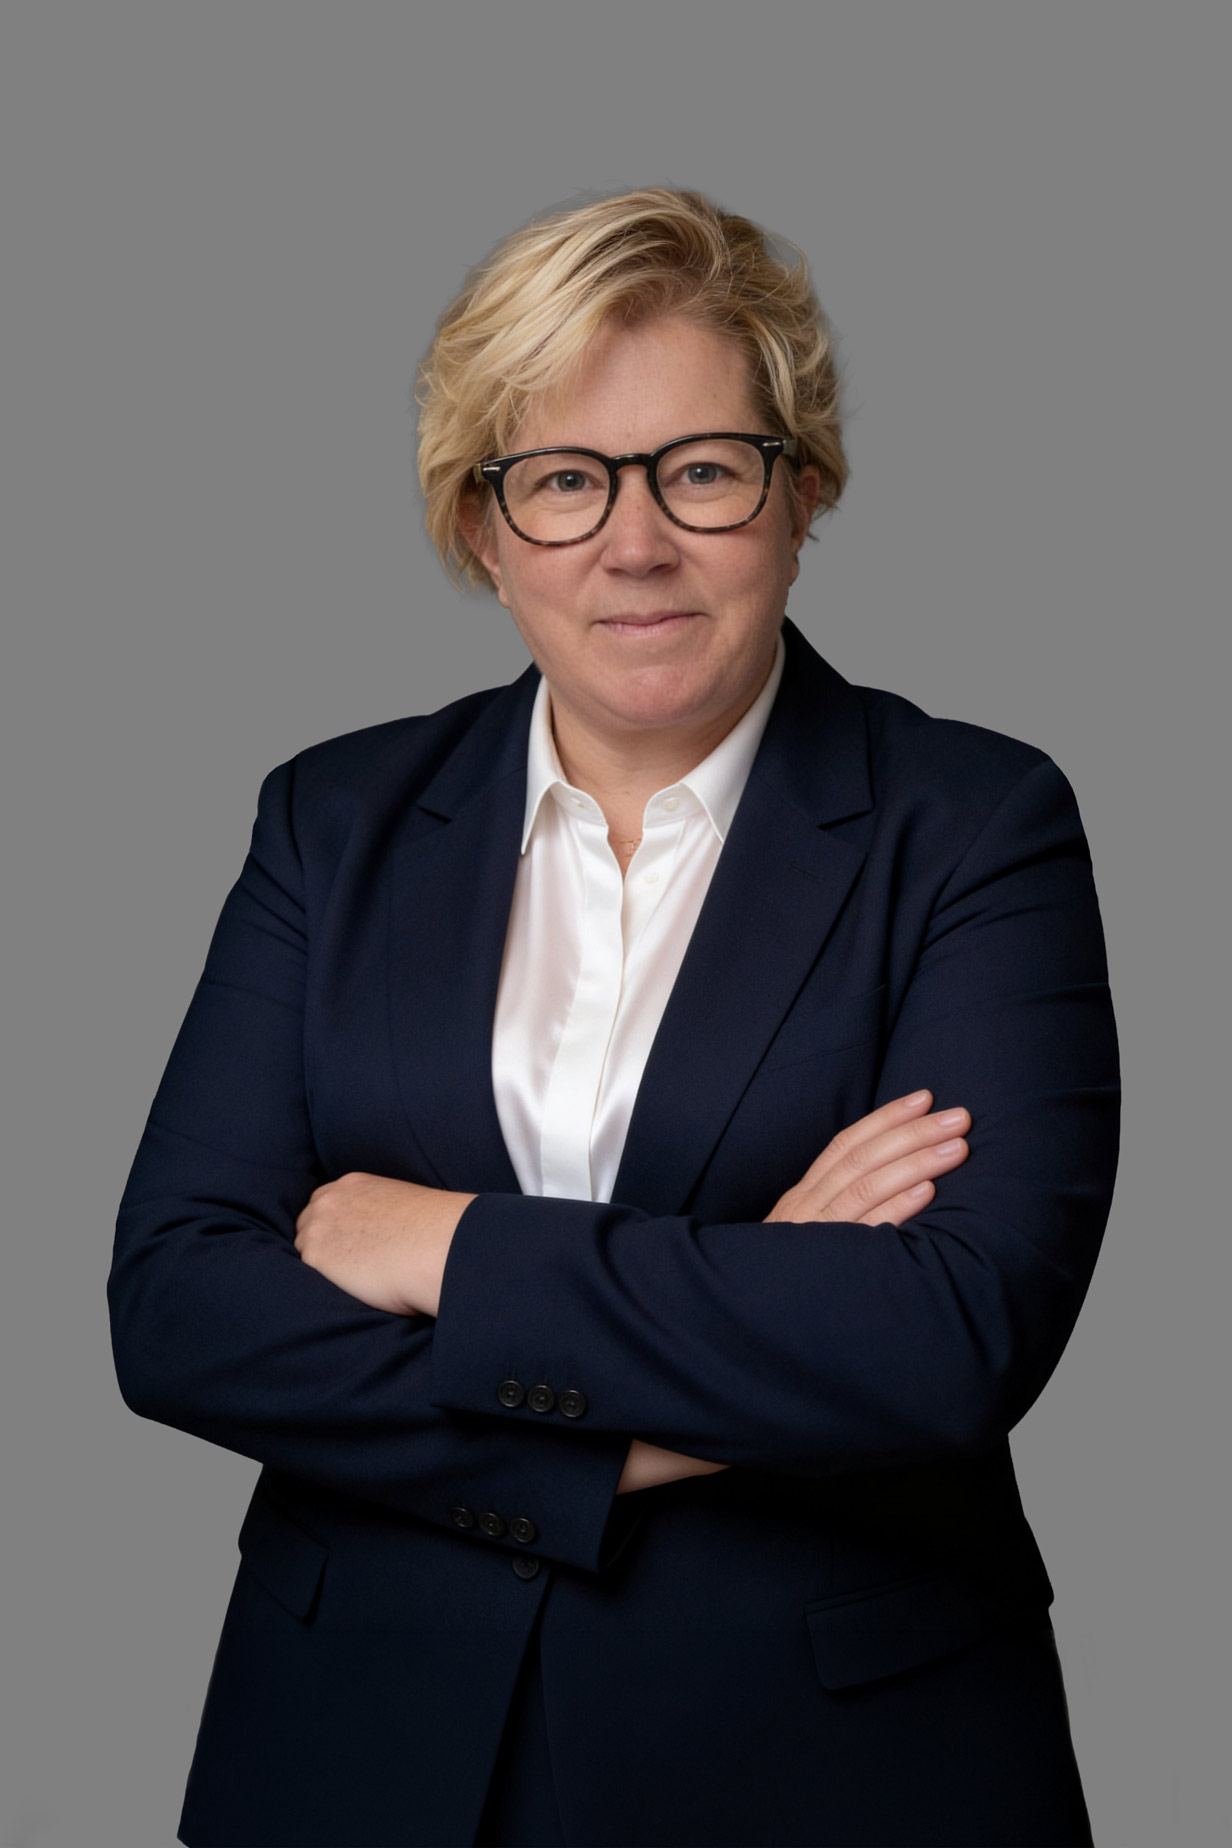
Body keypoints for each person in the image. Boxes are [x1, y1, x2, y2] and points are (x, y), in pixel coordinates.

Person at [109, 188, 1119, 1848]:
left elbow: (947, 1335)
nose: (633, 543)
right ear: (483, 525)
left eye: (701, 471)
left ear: (802, 490)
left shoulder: (973, 825)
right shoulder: (334, 821)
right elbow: (177, 1312)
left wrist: (443, 1248)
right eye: (564, 480)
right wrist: (731, 1330)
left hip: (827, 1770)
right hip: (359, 1749)